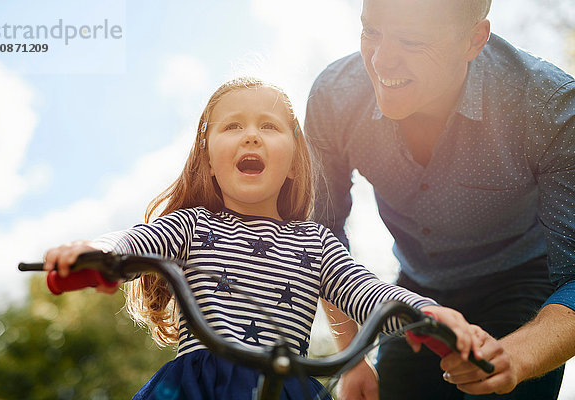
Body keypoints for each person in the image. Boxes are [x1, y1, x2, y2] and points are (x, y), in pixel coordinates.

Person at [42, 77, 484, 400]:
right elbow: (137, 241)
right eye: (232, 126)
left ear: (293, 162)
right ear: (209, 161)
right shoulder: (193, 225)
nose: (251, 133)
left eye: (269, 127)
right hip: (200, 389)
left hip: (287, 388)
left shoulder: (316, 242)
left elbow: (368, 293)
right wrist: (99, 254)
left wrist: (426, 313)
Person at [304, 0, 575, 399]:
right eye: (371, 31)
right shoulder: (335, 97)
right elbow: (321, 233)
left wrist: (514, 357)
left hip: (521, 283)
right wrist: (352, 358)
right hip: (416, 292)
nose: (381, 61)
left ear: (474, 40)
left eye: (412, 42)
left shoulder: (548, 106)